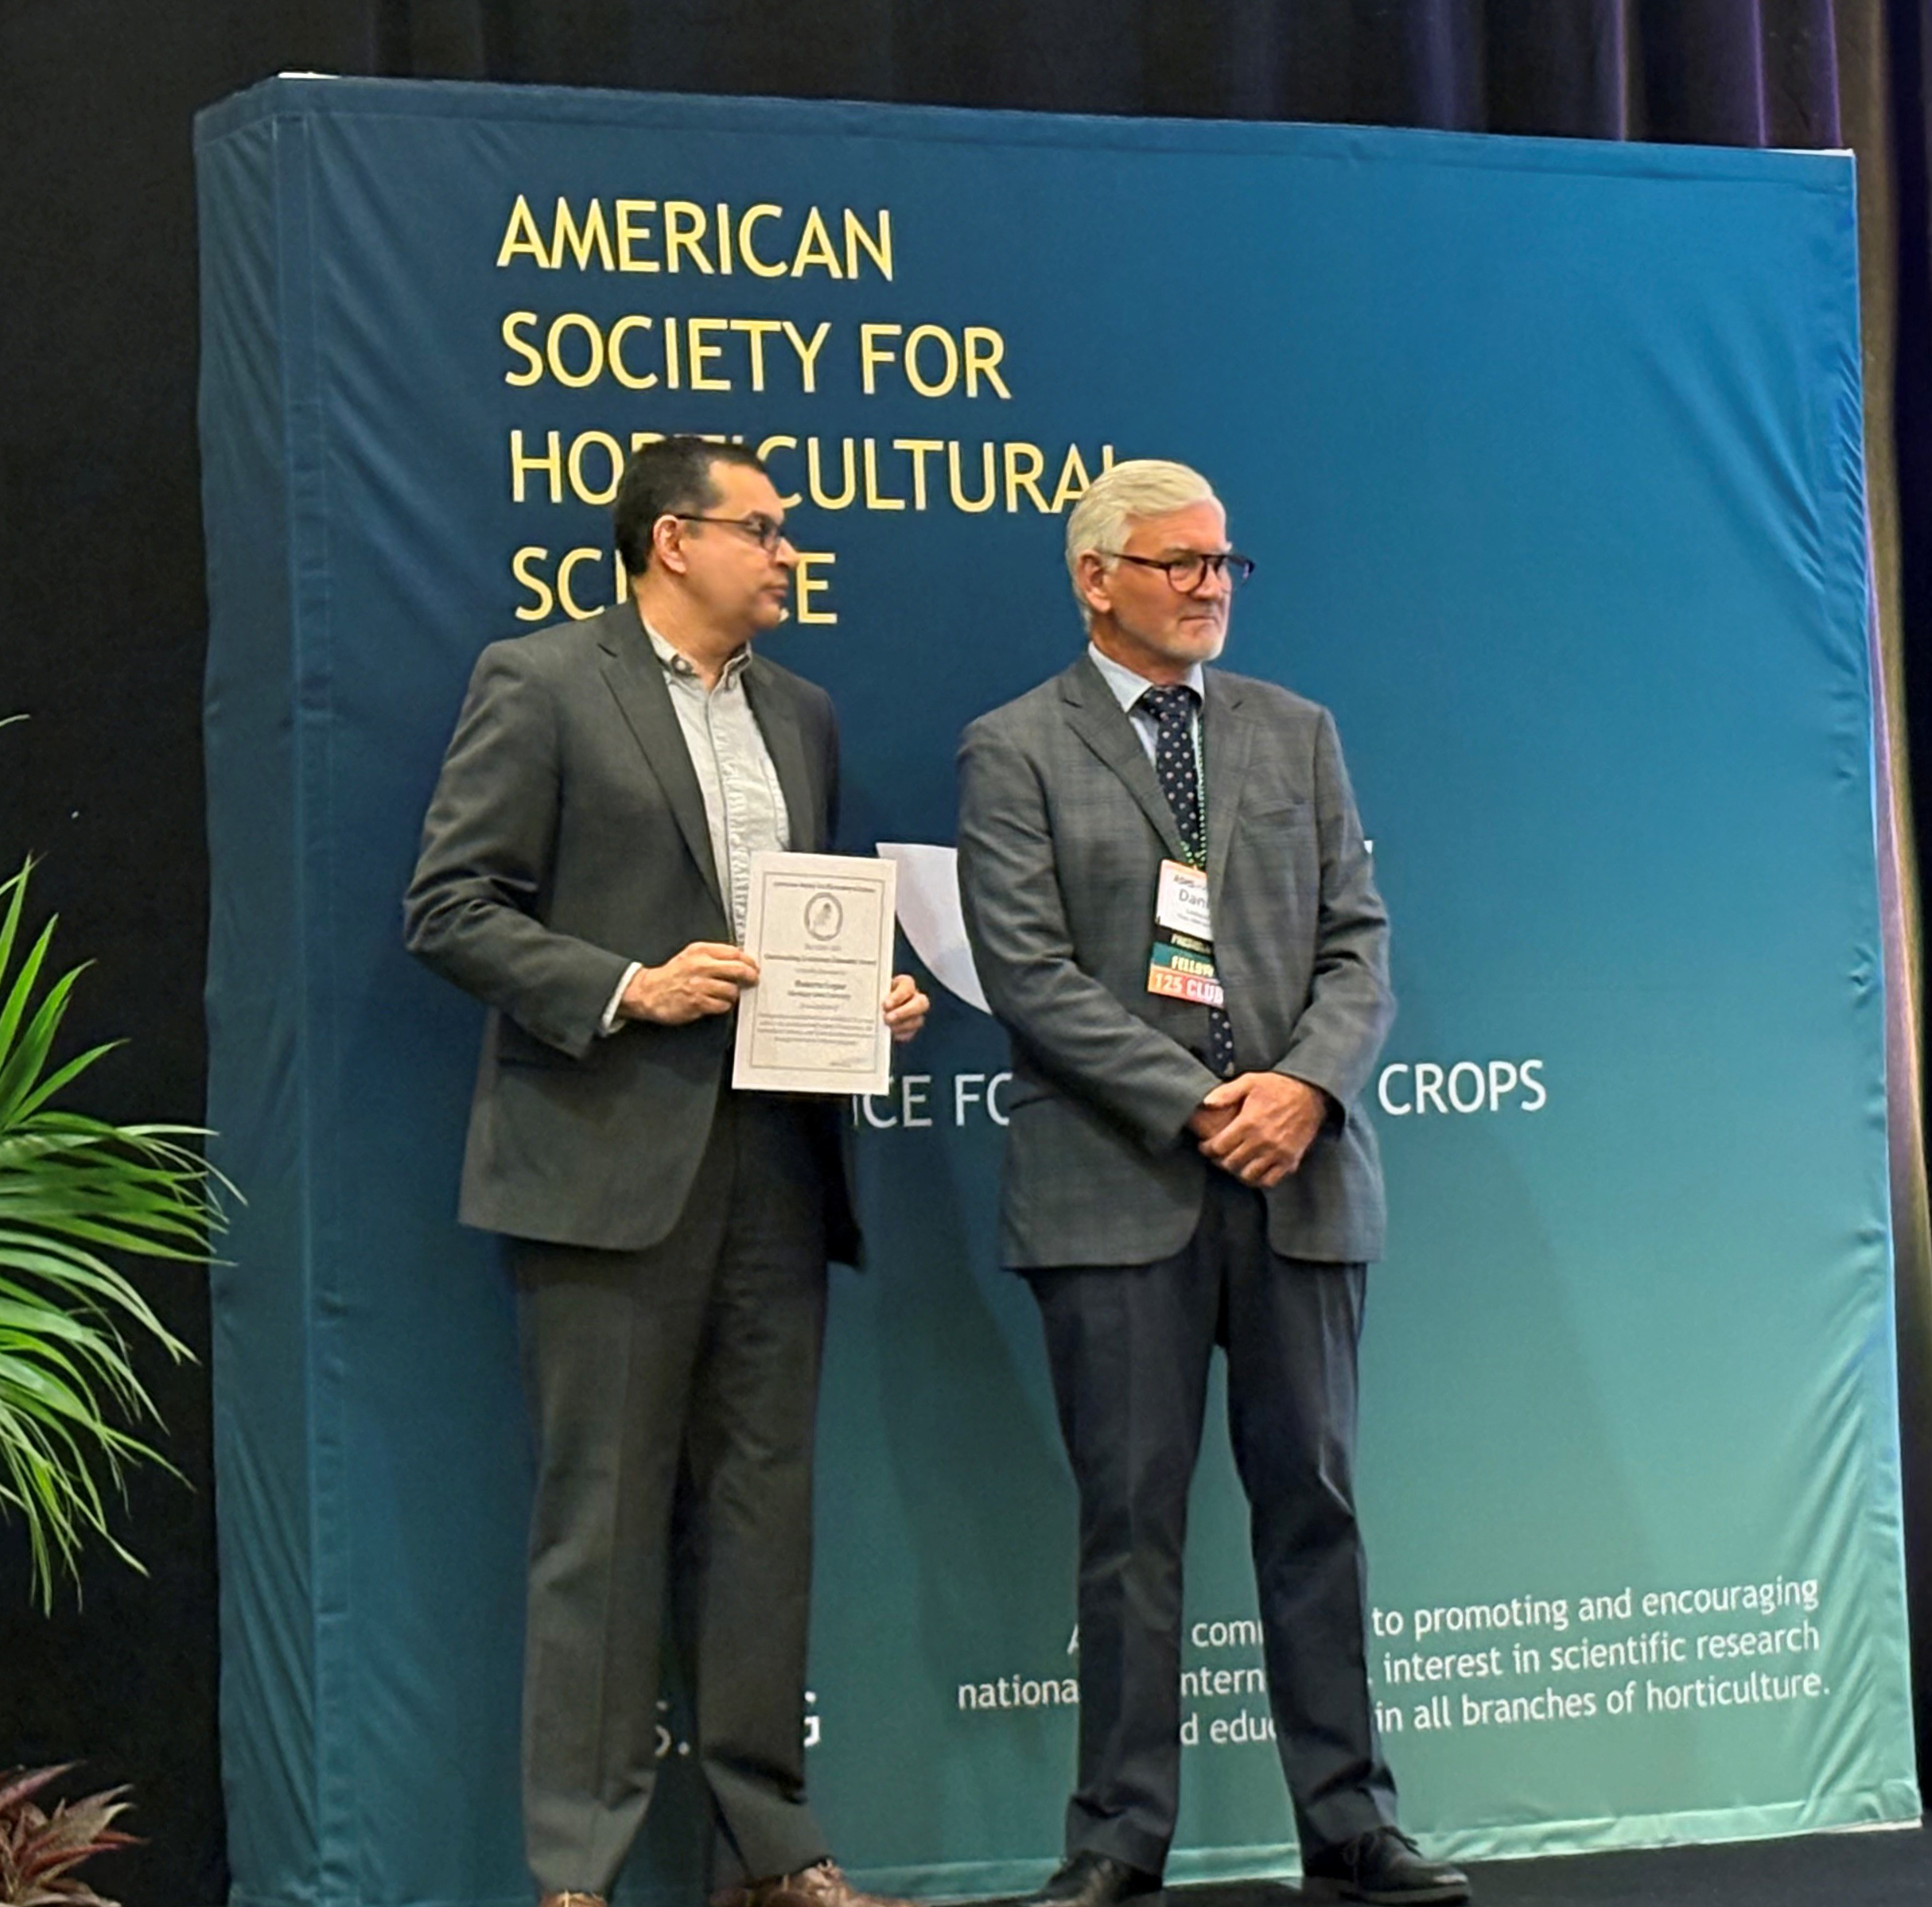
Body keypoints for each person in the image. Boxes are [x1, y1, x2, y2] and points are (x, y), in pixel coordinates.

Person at [404, 435, 928, 1907]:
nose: (787, 554)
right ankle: (578, 1870)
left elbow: (799, 926)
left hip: (777, 1155)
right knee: (606, 1523)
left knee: (766, 1513)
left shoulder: (803, 713)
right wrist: (628, 984)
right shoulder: (544, 680)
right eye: (763, 529)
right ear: (669, 542)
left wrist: (866, 998)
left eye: (788, 529)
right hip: (605, 1161)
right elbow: (449, 907)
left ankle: (770, 1849)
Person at [955, 460, 1467, 1907]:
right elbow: (1027, 972)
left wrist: (1301, 1087)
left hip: (1301, 1179)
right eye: (1176, 563)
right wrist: (1201, 1107)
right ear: (1094, 576)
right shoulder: (1014, 746)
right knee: (1130, 1522)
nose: (1206, 586)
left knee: (1314, 1502)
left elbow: (1358, 941)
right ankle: (1117, 1839)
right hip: (1115, 1187)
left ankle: (1350, 1823)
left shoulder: (1294, 732)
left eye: (1223, 563)